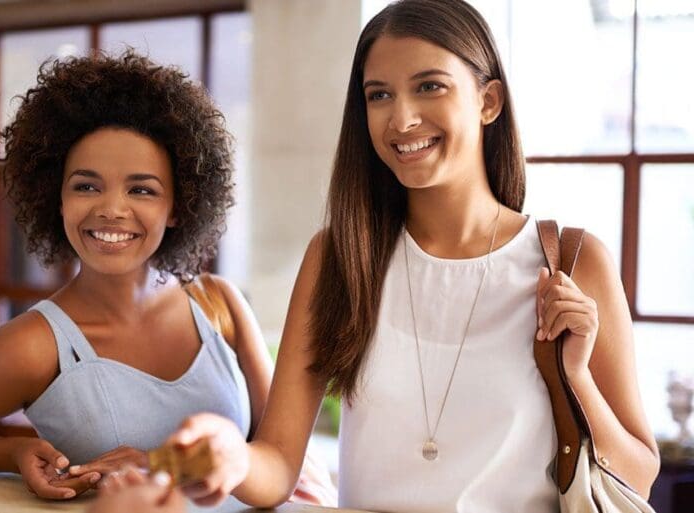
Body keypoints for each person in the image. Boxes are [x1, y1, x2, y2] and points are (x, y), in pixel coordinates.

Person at [165, 0, 660, 511]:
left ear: (489, 101)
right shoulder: (339, 258)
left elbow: (639, 478)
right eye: (379, 95)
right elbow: (277, 468)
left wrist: (576, 376)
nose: (401, 119)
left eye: (429, 86)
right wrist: (230, 458)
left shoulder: (572, 262)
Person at [0, 50, 279, 501]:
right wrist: (16, 453)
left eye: (141, 189)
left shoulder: (219, 304)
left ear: (178, 207)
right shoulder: (35, 346)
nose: (111, 209)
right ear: (56, 198)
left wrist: (159, 465)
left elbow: (275, 453)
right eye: (86, 186)